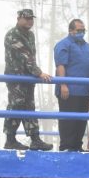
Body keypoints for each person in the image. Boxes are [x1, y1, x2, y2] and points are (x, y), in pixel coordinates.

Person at [3, 9, 53, 151]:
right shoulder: (12, 35)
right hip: (16, 78)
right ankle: (10, 140)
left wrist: (34, 74)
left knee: (29, 107)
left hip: (28, 78)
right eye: (26, 18)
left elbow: (31, 56)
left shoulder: (30, 35)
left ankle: (35, 139)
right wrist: (39, 73)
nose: (30, 21)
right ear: (18, 18)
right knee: (16, 106)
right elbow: (25, 56)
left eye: (31, 18)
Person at [53, 19, 89, 152]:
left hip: (84, 90)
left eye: (83, 30)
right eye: (78, 30)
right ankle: (66, 146)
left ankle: (77, 145)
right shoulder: (63, 44)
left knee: (81, 120)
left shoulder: (87, 46)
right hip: (69, 90)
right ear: (71, 30)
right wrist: (63, 85)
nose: (81, 32)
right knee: (68, 119)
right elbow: (60, 66)